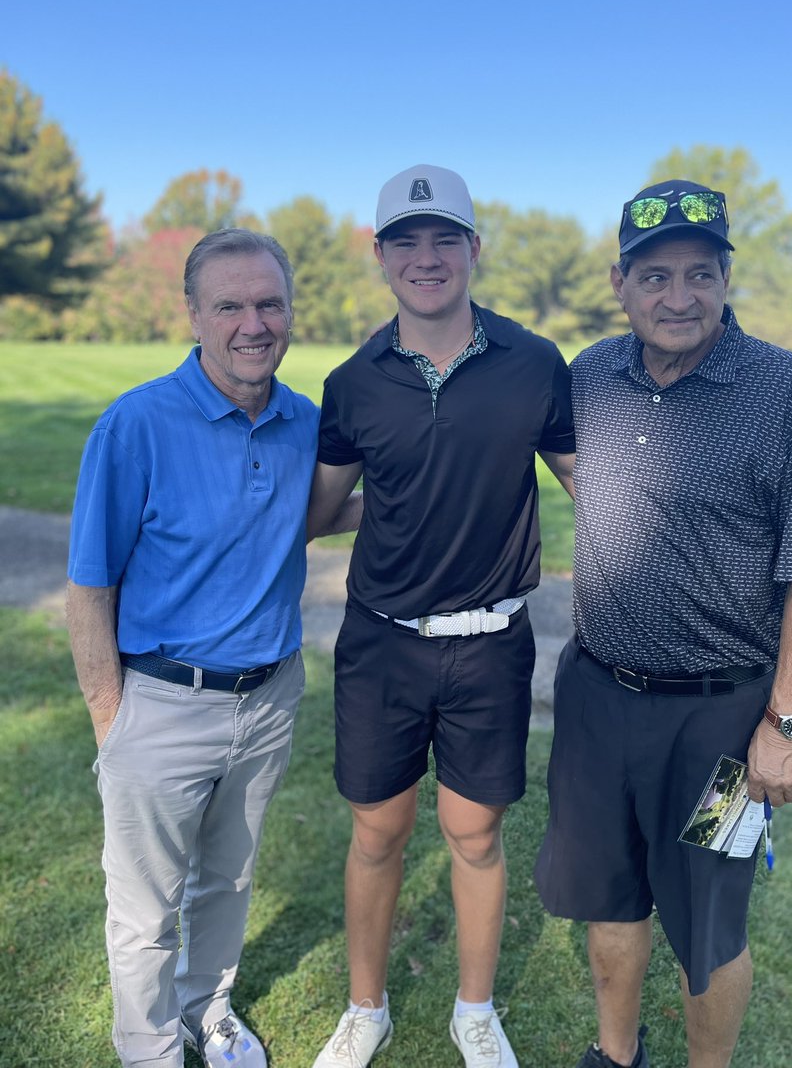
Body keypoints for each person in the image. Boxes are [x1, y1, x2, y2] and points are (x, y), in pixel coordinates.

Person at [534, 180, 792, 1068]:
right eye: (657, 276)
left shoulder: (784, 388)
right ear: (619, 283)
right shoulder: (592, 373)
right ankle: (614, 1054)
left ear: (725, 278)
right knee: (610, 900)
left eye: (700, 274)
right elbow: (577, 474)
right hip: (597, 701)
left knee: (710, 923)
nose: (679, 297)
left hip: (722, 719)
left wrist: (787, 726)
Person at [307, 165, 576, 1068]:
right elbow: (320, 510)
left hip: (492, 644)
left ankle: (474, 1010)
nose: (427, 258)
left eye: (445, 238)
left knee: (475, 834)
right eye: (407, 241)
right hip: (381, 645)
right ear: (381, 256)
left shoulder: (535, 363)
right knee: (378, 832)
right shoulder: (353, 383)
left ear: (473, 249)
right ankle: (366, 1007)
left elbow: (589, 483)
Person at [67, 228, 349, 1068]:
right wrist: (110, 719)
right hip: (157, 701)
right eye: (230, 305)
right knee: (145, 908)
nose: (253, 324)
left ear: (291, 311)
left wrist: (418, 502)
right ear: (194, 313)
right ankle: (149, 1048)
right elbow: (91, 586)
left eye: (269, 303)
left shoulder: (307, 423)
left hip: (268, 698)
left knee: (227, 880)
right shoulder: (137, 425)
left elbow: (314, 519)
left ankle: (208, 1011)